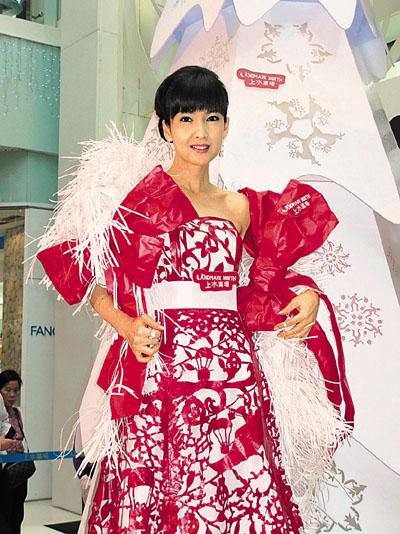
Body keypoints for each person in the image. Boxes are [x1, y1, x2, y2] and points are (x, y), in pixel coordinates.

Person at [36, 66, 353, 533]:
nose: (199, 132)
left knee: (241, 490)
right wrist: (125, 324)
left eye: (211, 118)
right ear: (166, 127)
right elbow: (81, 270)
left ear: (226, 126)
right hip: (163, 365)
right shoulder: (135, 197)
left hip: (235, 373)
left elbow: (267, 280)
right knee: (163, 490)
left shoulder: (240, 207)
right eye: (186, 118)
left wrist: (309, 297)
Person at [0, 370, 27, 534]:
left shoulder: (16, 413)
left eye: (15, 390)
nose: (12, 395)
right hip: (4, 469)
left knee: (17, 513)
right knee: (5, 513)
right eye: (7, 390)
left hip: (19, 470)